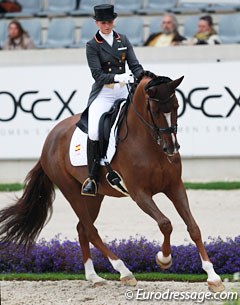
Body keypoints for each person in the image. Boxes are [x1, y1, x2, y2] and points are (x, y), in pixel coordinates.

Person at [77, 4, 144, 196]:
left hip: (124, 91)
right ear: (97, 23)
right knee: (95, 132)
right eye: (103, 22)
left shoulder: (123, 39)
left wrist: (143, 76)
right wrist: (118, 77)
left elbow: (135, 65)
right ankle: (92, 178)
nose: (106, 25)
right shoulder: (92, 45)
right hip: (105, 93)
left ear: (113, 21)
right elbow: (97, 75)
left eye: (109, 22)